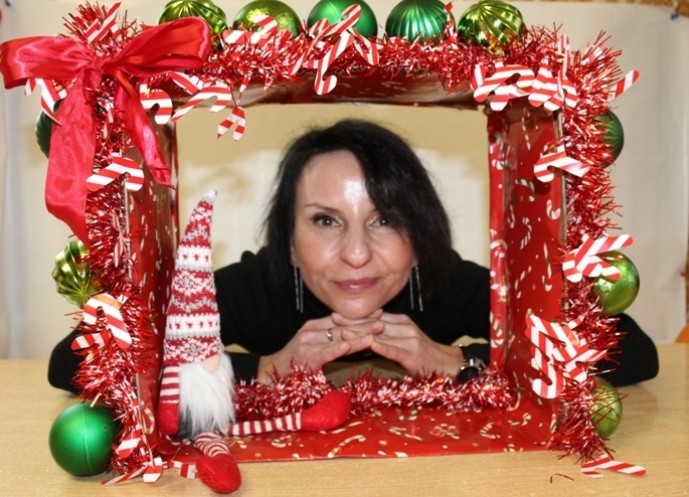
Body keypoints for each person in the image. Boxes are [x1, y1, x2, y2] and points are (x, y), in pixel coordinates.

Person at [48, 118, 659, 391]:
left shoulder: (441, 282)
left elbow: (632, 352)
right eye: (325, 221)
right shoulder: (258, 286)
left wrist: (460, 362)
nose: (358, 255)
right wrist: (261, 371)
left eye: (386, 220)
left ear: (419, 238)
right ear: (289, 241)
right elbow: (70, 362)